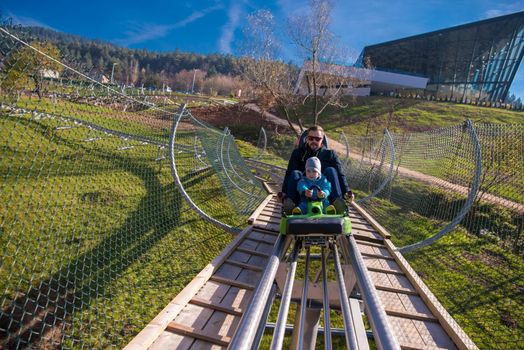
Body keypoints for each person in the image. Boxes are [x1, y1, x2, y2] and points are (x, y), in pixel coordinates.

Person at [280, 125, 354, 214]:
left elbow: (340, 174)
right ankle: (291, 203)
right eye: (311, 138)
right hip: (303, 191)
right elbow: (289, 173)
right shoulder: (298, 153)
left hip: (324, 192)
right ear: (307, 139)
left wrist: (347, 191)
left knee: (331, 170)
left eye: (317, 139)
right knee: (295, 173)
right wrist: (283, 192)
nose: (314, 141)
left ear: (322, 140)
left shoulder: (330, 154)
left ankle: (337, 202)